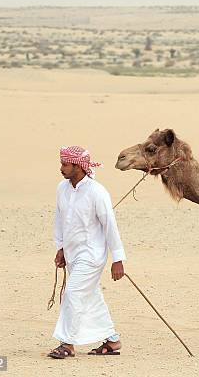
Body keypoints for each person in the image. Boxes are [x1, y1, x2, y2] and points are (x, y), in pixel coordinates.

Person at [48, 146, 127, 359]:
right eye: (62, 163)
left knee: (72, 294)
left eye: (65, 164)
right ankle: (112, 340)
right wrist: (61, 248)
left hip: (91, 255)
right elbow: (60, 220)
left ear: (79, 167)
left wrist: (118, 258)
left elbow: (110, 225)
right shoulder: (61, 189)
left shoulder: (97, 192)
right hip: (72, 254)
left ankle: (66, 344)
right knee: (90, 297)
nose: (61, 168)